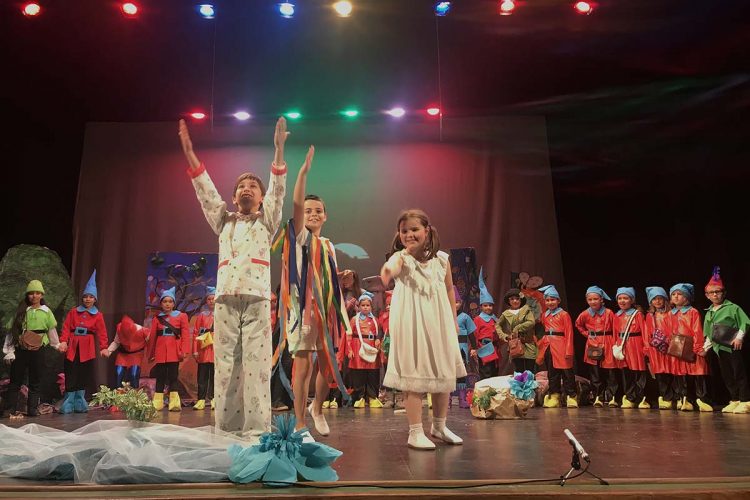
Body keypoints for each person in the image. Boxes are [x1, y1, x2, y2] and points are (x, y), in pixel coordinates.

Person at [179, 117, 288, 437]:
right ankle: (226, 428)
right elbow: (206, 191)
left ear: (260, 196)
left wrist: (279, 151)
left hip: (256, 300)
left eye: (253, 186)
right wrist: (189, 151)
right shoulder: (223, 221)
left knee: (255, 368)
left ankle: (256, 430)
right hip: (226, 299)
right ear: (234, 195)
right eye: (241, 185)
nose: (246, 188)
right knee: (226, 367)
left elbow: (279, 192)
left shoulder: (267, 221)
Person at [380, 209, 466, 449]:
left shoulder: (442, 259)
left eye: (414, 229)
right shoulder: (401, 258)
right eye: (404, 231)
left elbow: (449, 289)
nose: (409, 234)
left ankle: (438, 425)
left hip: (439, 321)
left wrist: (453, 319)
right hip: (411, 322)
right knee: (414, 374)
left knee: (442, 371)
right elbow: (390, 268)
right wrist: (386, 271)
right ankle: (415, 431)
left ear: (426, 231)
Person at [3, 280, 60, 417]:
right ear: (27, 295)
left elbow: (51, 331)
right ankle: (9, 409)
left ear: (41, 295)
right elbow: (12, 333)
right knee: (15, 380)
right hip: (21, 349)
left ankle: (32, 409)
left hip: (38, 349)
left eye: (37, 293)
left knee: (36, 380)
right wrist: (9, 351)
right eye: (31, 293)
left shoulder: (46, 312)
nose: (34, 296)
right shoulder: (22, 311)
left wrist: (56, 344)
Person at [58, 270, 109, 414]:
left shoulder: (98, 316)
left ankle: (80, 402)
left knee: (83, 373)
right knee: (71, 372)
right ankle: (68, 402)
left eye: (91, 297)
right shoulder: (73, 312)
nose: (87, 299)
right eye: (85, 296)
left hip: (88, 347)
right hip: (73, 346)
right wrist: (63, 341)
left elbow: (102, 332)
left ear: (95, 299)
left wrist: (104, 347)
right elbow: (66, 328)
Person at [702, 267, 750, 414]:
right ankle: (734, 399)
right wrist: (705, 348)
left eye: (718, 292)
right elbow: (709, 333)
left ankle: (745, 400)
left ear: (723, 293)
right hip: (719, 348)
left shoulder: (732, 307)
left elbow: (744, 322)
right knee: (726, 374)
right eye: (712, 292)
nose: (715, 295)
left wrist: (739, 337)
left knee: (738, 372)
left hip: (732, 345)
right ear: (707, 295)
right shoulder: (709, 312)